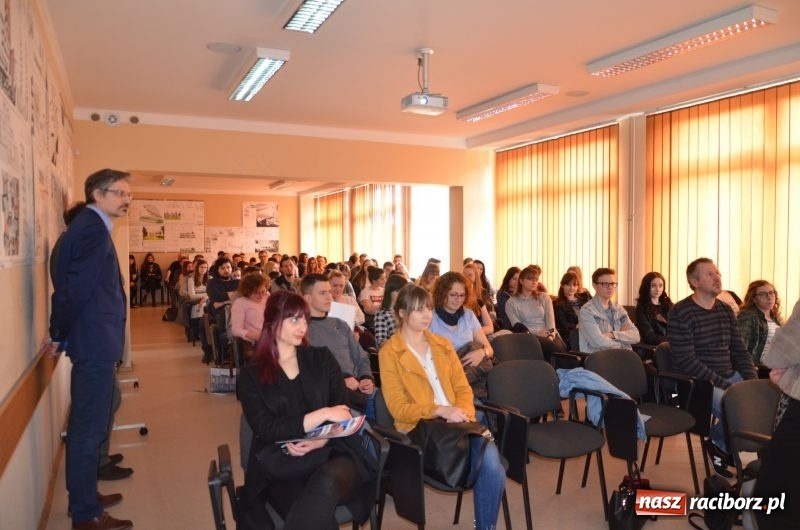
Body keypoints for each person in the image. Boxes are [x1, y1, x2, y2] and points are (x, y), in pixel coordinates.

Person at [237, 291, 376, 530]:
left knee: (325, 483)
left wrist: (320, 440)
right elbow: (266, 429)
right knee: (314, 515)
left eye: (304, 319)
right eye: (294, 319)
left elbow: (341, 410)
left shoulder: (321, 358)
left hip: (332, 449)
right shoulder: (251, 375)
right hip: (281, 459)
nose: (302, 326)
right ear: (272, 321)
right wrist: (321, 415)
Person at [43, 168, 133, 530]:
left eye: (129, 194)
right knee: (87, 429)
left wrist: (61, 333)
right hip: (94, 342)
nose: (127, 199)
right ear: (98, 193)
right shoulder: (92, 229)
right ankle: (85, 514)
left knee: (89, 426)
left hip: (93, 340)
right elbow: (73, 291)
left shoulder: (88, 228)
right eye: (120, 193)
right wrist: (57, 332)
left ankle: (86, 497)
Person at [378, 284, 506, 530]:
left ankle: (485, 527)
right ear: (402, 313)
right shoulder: (389, 353)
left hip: (457, 422)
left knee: (490, 461)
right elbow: (398, 408)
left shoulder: (442, 345)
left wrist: (463, 412)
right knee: (492, 468)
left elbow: (463, 389)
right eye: (418, 310)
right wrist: (439, 410)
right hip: (419, 428)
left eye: (428, 308)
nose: (427, 315)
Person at [668, 257, 757, 477]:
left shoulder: (725, 310)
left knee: (761, 404)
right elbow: (687, 361)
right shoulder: (681, 312)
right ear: (694, 281)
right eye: (710, 274)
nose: (717, 277)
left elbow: (739, 350)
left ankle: (718, 444)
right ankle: (722, 446)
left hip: (728, 375)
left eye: (717, 272)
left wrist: (752, 380)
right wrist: (726, 385)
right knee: (736, 410)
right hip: (698, 383)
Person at [301, 275, 376, 415]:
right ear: (308, 298)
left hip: (358, 386)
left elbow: (361, 357)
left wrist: (366, 377)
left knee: (386, 404)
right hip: (332, 393)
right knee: (368, 428)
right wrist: (341, 380)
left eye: (329, 291)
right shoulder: (302, 330)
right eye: (323, 293)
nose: (329, 297)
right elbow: (309, 371)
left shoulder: (339, 324)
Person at [755, 298, 800, 530]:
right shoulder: (750, 318)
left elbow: (774, 357)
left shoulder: (774, 318)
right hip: (715, 375)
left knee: (775, 495)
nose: (770, 296)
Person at [429, 272, 495, 399]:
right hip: (446, 376)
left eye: (462, 295)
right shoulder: (430, 318)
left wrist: (482, 352)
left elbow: (489, 349)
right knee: (479, 412)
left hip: (473, 377)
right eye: (453, 295)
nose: (458, 300)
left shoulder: (468, 315)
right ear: (442, 294)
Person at [506, 265, 566, 360]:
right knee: (552, 352)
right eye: (530, 279)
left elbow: (550, 321)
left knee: (557, 351)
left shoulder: (544, 297)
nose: (534, 282)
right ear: (521, 281)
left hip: (550, 334)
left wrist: (550, 336)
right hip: (529, 336)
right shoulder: (511, 303)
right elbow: (518, 327)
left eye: (536, 279)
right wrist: (537, 332)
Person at [578, 268, 640, 354]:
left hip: (622, 356)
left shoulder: (619, 309)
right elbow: (598, 342)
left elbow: (636, 336)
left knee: (648, 368)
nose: (610, 287)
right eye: (605, 284)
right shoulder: (587, 311)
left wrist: (613, 335)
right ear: (594, 285)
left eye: (612, 283)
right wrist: (622, 343)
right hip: (600, 358)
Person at [737, 280, 783, 367]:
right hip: (759, 367)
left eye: (771, 293)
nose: (769, 297)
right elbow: (741, 347)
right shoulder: (747, 316)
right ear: (754, 299)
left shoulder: (777, 319)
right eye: (762, 294)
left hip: (778, 365)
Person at [230, 273, 269, 359]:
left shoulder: (267, 299)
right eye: (257, 293)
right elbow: (236, 329)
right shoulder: (240, 303)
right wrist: (256, 336)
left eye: (263, 291)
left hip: (271, 335)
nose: (261, 295)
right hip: (256, 340)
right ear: (248, 291)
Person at [553, 271, 591, 351]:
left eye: (574, 285)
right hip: (573, 332)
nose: (572, 288)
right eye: (568, 285)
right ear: (562, 285)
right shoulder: (557, 304)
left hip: (590, 328)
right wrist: (576, 326)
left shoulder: (585, 298)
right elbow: (561, 323)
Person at [634, 271, 673, 347]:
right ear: (646, 287)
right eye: (653, 286)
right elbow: (650, 337)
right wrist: (674, 339)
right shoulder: (641, 309)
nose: (658, 289)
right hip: (655, 348)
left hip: (673, 345)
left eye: (661, 286)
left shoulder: (668, 304)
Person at [373, 274, 408, 349]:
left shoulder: (408, 310)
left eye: (404, 291)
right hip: (396, 352)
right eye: (398, 291)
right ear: (390, 291)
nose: (402, 294)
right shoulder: (382, 314)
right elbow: (381, 343)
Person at [462, 263, 495, 336]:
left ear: (475, 279)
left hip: (477, 337)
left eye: (470, 275)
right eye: (464, 275)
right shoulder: (457, 301)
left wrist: (473, 333)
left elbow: (490, 327)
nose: (466, 277)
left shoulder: (479, 302)